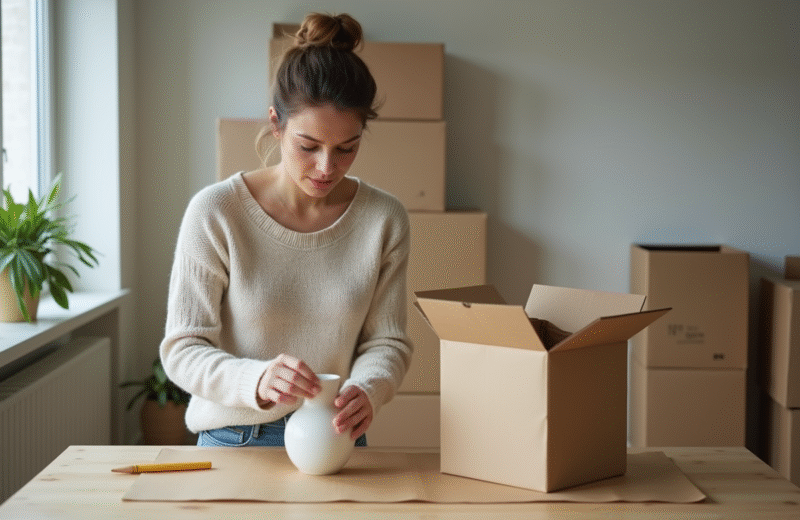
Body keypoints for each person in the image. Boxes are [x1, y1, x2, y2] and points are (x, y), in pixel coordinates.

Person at [159, 12, 412, 448]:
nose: (326, 167)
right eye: (308, 147)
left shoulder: (383, 219)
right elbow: (183, 348)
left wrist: (369, 389)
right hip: (234, 437)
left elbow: (387, 341)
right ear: (276, 124)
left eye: (346, 148)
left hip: (335, 440)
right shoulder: (217, 212)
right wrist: (255, 379)